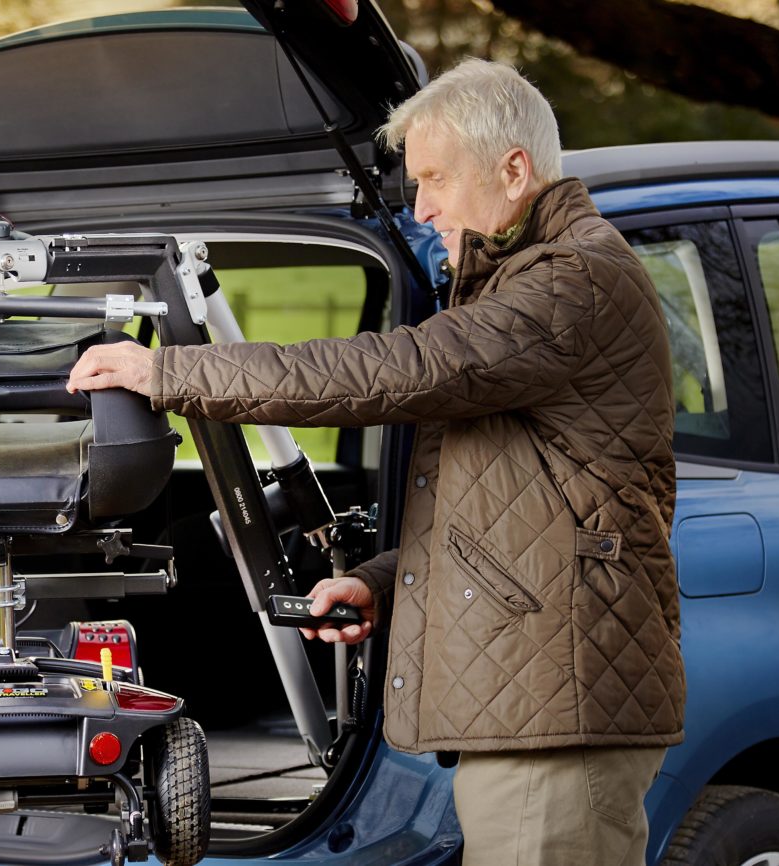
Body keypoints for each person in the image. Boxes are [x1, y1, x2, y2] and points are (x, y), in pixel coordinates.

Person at [67, 57, 682, 866]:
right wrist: (387, 581)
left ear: (513, 169)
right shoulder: (520, 285)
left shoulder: (573, 280)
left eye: (433, 179)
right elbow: (508, 500)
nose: (421, 209)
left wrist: (170, 373)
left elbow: (397, 371)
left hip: (555, 713)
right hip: (534, 709)